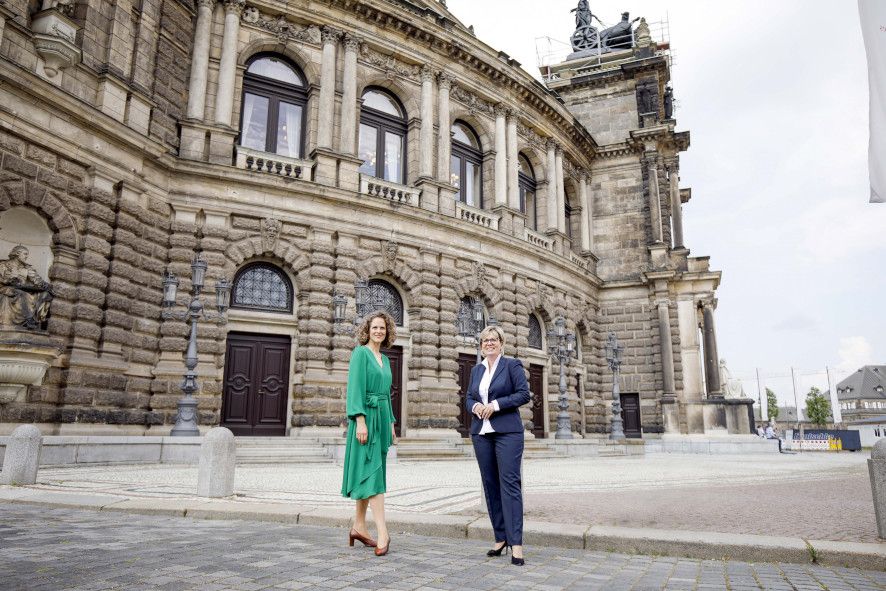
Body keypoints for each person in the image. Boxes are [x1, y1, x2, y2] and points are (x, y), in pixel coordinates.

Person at [466, 325, 531, 566]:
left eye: (493, 340)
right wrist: (475, 407)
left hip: (508, 432)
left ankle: (517, 544)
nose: (489, 343)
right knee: (490, 485)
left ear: (501, 343)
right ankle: (500, 537)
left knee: (510, 485)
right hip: (481, 433)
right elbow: (469, 397)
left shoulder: (511, 365)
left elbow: (524, 394)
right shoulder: (476, 370)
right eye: (485, 340)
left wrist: (495, 405)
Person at [340, 311, 398, 557]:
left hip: (382, 420)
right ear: (367, 329)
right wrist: (360, 421)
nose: (378, 331)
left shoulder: (384, 358)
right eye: (375, 327)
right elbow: (355, 389)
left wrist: (392, 422)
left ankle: (359, 526)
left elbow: (386, 393)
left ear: (387, 332)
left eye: (382, 328)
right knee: (373, 474)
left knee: (369, 472)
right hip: (366, 419)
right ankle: (383, 531)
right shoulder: (360, 353)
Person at [0, 245, 53, 330]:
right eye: (25, 254)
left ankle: (34, 320)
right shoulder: (3, 265)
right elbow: (2, 279)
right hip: (5, 289)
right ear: (18, 253)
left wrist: (47, 286)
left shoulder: (27, 268)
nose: (26, 256)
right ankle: (29, 319)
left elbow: (38, 281)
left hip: (21, 289)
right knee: (20, 293)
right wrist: (9, 280)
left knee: (45, 294)